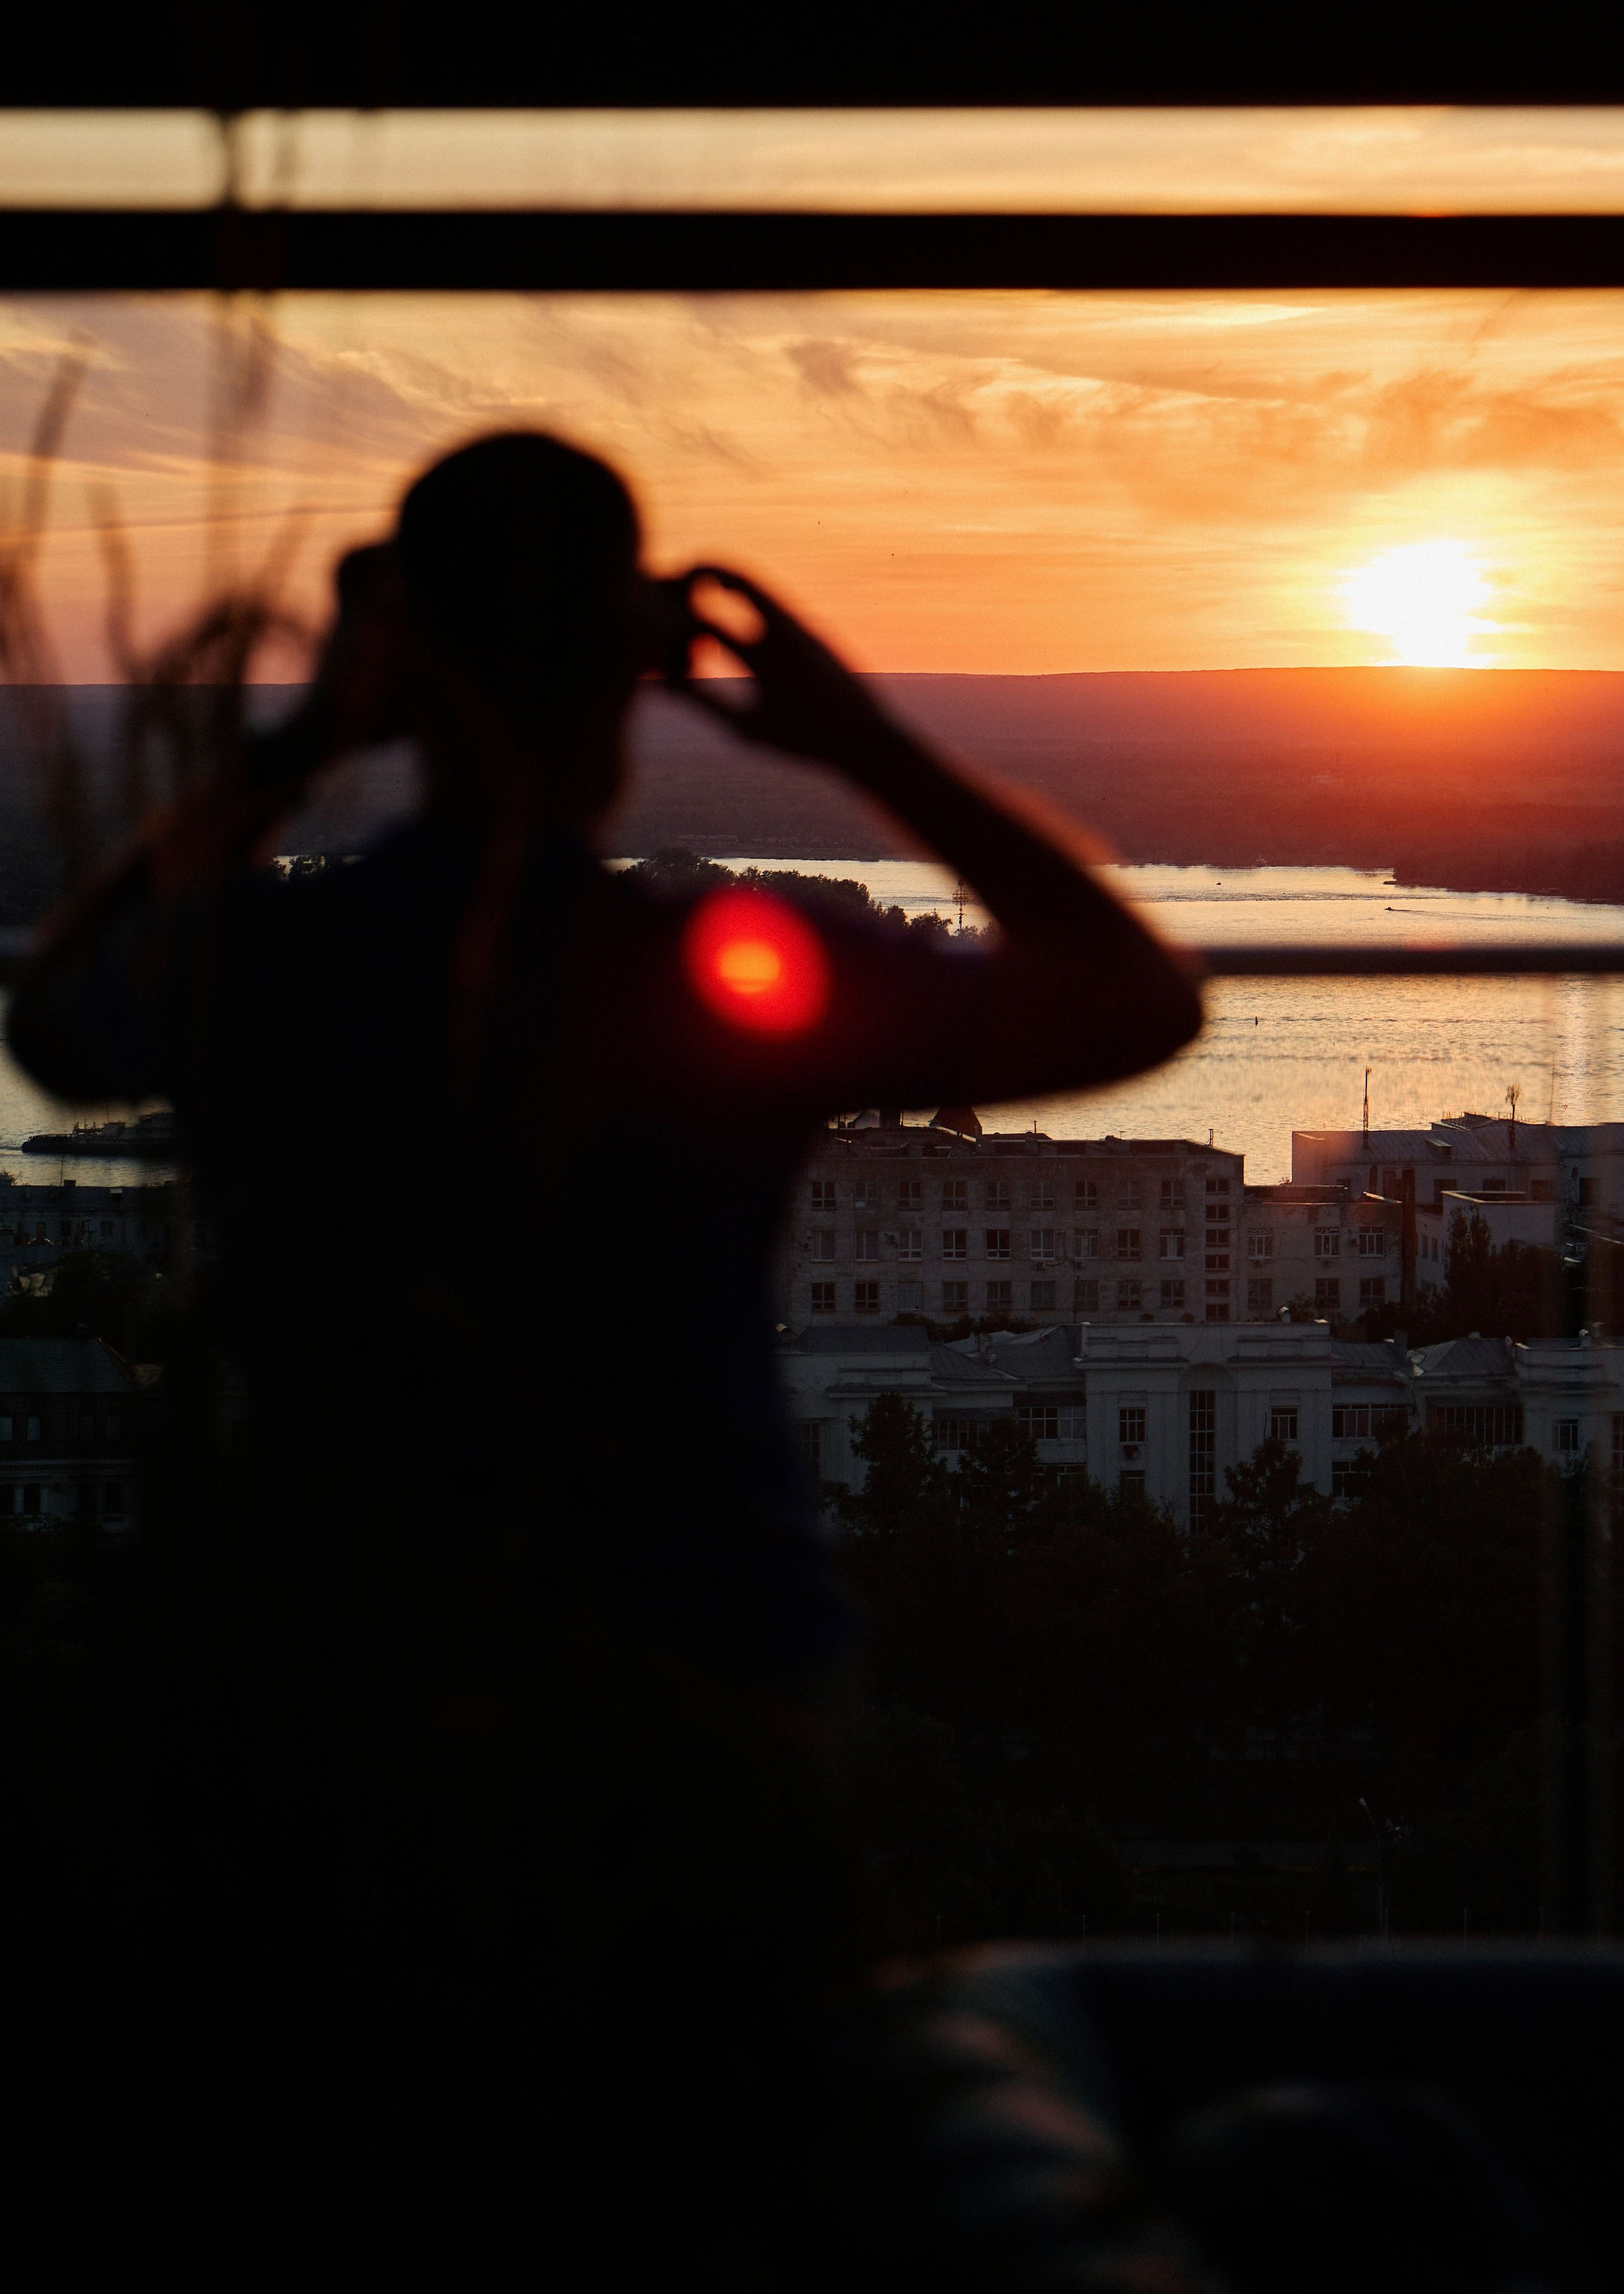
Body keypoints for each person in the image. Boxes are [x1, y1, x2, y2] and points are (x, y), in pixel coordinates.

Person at [6, 429, 1201, 2206]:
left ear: (406, 658)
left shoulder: (276, 969)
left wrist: (302, 739)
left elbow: (53, 1026)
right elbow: (1128, 998)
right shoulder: (709, 981)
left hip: (352, 1706)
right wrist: (859, 742)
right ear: (632, 670)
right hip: (711, 1712)